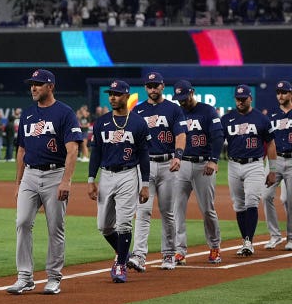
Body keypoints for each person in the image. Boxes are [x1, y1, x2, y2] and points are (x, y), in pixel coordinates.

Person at [7, 69, 81, 295]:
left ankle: (54, 277)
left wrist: (66, 181)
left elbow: (72, 149)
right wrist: (18, 182)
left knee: (55, 227)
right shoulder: (28, 114)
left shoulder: (65, 113)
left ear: (50, 86)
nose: (33, 87)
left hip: (54, 174)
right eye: (32, 84)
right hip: (30, 174)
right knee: (22, 223)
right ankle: (25, 277)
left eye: (38, 84)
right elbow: (21, 150)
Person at [88, 79, 150, 283]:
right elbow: (95, 152)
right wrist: (91, 179)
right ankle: (125, 254)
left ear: (126, 96)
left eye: (117, 94)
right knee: (104, 226)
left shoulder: (138, 123)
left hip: (128, 174)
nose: (112, 97)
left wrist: (145, 184)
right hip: (106, 175)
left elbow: (143, 155)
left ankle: (121, 265)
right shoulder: (102, 122)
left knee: (124, 224)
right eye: (110, 94)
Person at [127, 72, 187, 272]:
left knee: (167, 212)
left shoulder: (173, 109)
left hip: (167, 163)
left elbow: (181, 134)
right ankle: (139, 256)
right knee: (143, 211)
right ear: (145, 88)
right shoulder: (138, 110)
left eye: (156, 85)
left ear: (163, 86)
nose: (152, 89)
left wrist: (178, 155)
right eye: (149, 86)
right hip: (145, 165)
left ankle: (168, 253)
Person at [171, 80, 224, 264]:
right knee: (177, 208)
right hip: (182, 165)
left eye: (184, 97)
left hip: (203, 166)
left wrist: (214, 160)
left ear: (192, 93)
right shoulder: (176, 112)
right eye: (179, 98)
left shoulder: (207, 110)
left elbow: (218, 136)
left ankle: (215, 246)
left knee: (207, 209)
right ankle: (179, 250)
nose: (182, 101)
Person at [221, 84, 277, 256]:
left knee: (252, 201)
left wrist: (272, 170)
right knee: (238, 205)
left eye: (243, 98)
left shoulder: (261, 119)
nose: (240, 101)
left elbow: (271, 144)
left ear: (250, 98)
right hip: (233, 164)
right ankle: (245, 239)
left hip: (254, 164)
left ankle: (248, 241)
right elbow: (218, 141)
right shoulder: (227, 118)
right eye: (238, 98)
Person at [263, 80, 292, 251]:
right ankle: (275, 235)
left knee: (289, 200)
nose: (280, 95)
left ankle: (291, 237)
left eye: (284, 92)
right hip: (275, 160)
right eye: (278, 92)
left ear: (291, 94)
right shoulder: (271, 115)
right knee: (266, 195)